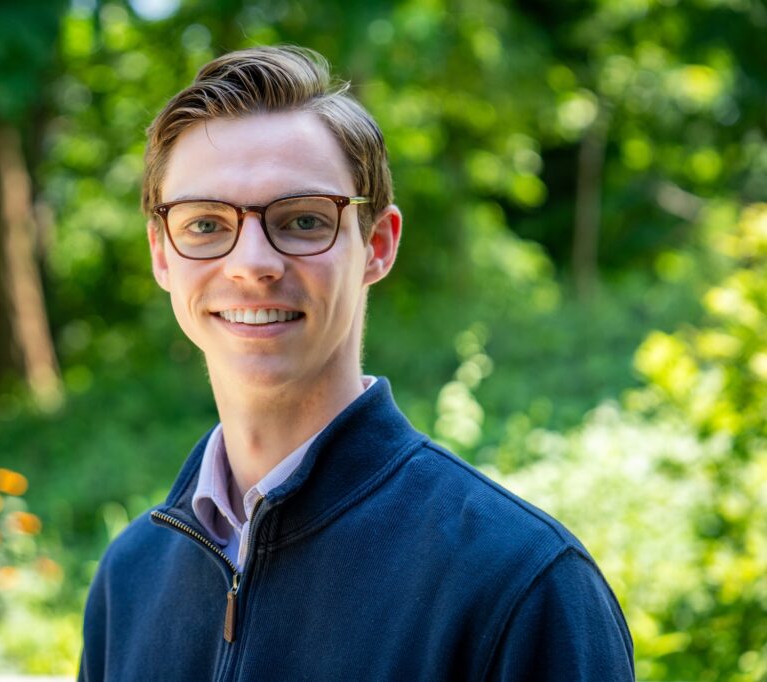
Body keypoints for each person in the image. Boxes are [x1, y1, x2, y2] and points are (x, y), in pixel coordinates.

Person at [78, 45, 634, 681]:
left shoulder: (519, 584)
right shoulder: (128, 580)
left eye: (303, 220)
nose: (252, 264)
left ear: (378, 245)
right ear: (161, 253)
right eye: (205, 224)